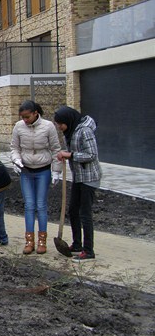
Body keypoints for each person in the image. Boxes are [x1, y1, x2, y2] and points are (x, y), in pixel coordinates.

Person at [11, 100, 62, 255]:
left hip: (43, 170)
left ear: (35, 113)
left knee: (41, 205)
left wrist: (56, 171)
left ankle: (42, 241)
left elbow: (55, 149)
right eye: (22, 117)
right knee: (29, 205)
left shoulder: (48, 126)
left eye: (27, 117)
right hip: (26, 170)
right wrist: (16, 159)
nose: (25, 120)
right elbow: (14, 147)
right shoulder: (18, 127)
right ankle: (29, 241)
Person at [54, 106, 102, 262]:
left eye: (61, 124)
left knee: (85, 214)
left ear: (69, 120)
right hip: (79, 177)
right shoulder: (72, 130)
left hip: (89, 178)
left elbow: (91, 154)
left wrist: (69, 155)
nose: (59, 127)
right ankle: (77, 245)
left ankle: (89, 251)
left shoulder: (84, 131)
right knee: (73, 210)